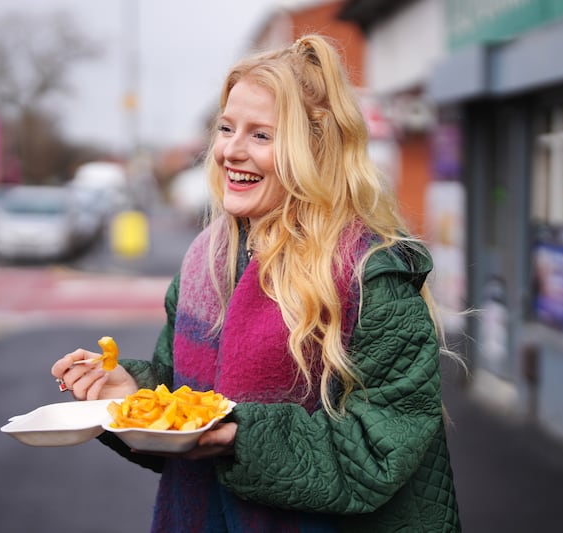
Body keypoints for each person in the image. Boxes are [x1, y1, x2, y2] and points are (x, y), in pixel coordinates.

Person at [52, 33, 461, 532]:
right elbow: (182, 401)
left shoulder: (372, 274)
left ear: (316, 149)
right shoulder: (204, 260)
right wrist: (127, 392)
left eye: (261, 135)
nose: (231, 151)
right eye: (226, 128)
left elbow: (378, 452)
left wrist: (240, 435)